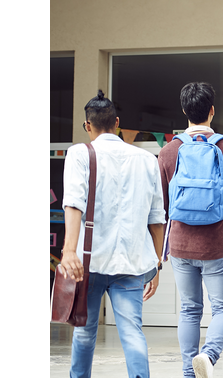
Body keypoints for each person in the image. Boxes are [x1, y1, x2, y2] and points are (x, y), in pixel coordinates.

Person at [60, 89, 166, 378]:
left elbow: (73, 202)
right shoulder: (147, 159)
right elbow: (158, 219)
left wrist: (69, 250)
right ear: (117, 123)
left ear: (87, 126)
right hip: (133, 262)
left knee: (83, 334)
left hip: (88, 262)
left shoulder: (79, 153)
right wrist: (156, 263)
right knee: (132, 334)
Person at [158, 82, 223, 378]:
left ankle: (189, 372)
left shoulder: (169, 151)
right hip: (217, 245)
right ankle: (209, 356)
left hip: (181, 246)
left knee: (189, 310)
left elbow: (160, 205)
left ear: (185, 111)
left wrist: (159, 250)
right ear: (212, 111)